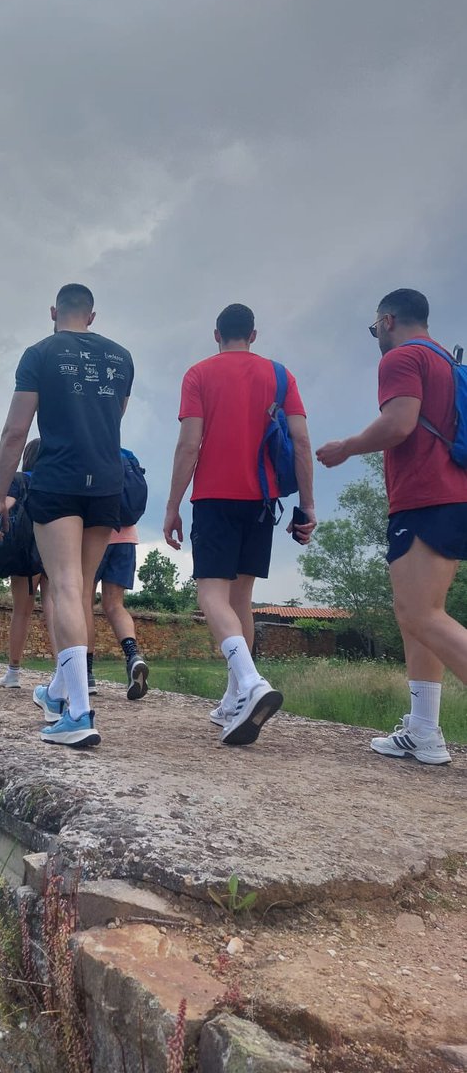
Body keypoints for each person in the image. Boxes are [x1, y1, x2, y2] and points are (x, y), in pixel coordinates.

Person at [317, 288, 467, 766]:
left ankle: (424, 731)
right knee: (420, 614)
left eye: (373, 329)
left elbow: (399, 423)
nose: (375, 337)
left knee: (419, 614)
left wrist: (347, 446)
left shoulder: (402, 358)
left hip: (424, 495)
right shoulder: (445, 359)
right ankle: (423, 730)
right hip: (453, 494)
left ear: (387, 320)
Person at [163, 303, 316, 746]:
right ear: (254, 334)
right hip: (262, 501)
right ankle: (234, 699)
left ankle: (251, 684)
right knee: (241, 598)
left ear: (216, 335)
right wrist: (307, 505)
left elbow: (189, 444)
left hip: (214, 496)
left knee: (211, 594)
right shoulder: (281, 376)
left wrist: (172, 505)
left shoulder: (198, 375)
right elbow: (302, 440)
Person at [0, 284, 133, 747]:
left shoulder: (40, 352)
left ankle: (79, 713)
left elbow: (15, 431)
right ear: (91, 316)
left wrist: (0, 495)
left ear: (54, 312)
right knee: (82, 590)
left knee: (65, 586)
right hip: (108, 481)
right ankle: (58, 690)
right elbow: (114, 420)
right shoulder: (122, 358)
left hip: (58, 478)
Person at [0, 438, 55, 690]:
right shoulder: (54, 483)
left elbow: (5, 506)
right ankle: (63, 669)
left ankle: (13, 671)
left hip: (25, 554)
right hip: (53, 552)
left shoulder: (20, 480)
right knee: (55, 610)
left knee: (21, 611)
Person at [94, 523, 149, 700]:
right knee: (115, 605)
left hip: (94, 535)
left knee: (83, 603)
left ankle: (85, 673)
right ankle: (133, 655)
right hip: (126, 539)